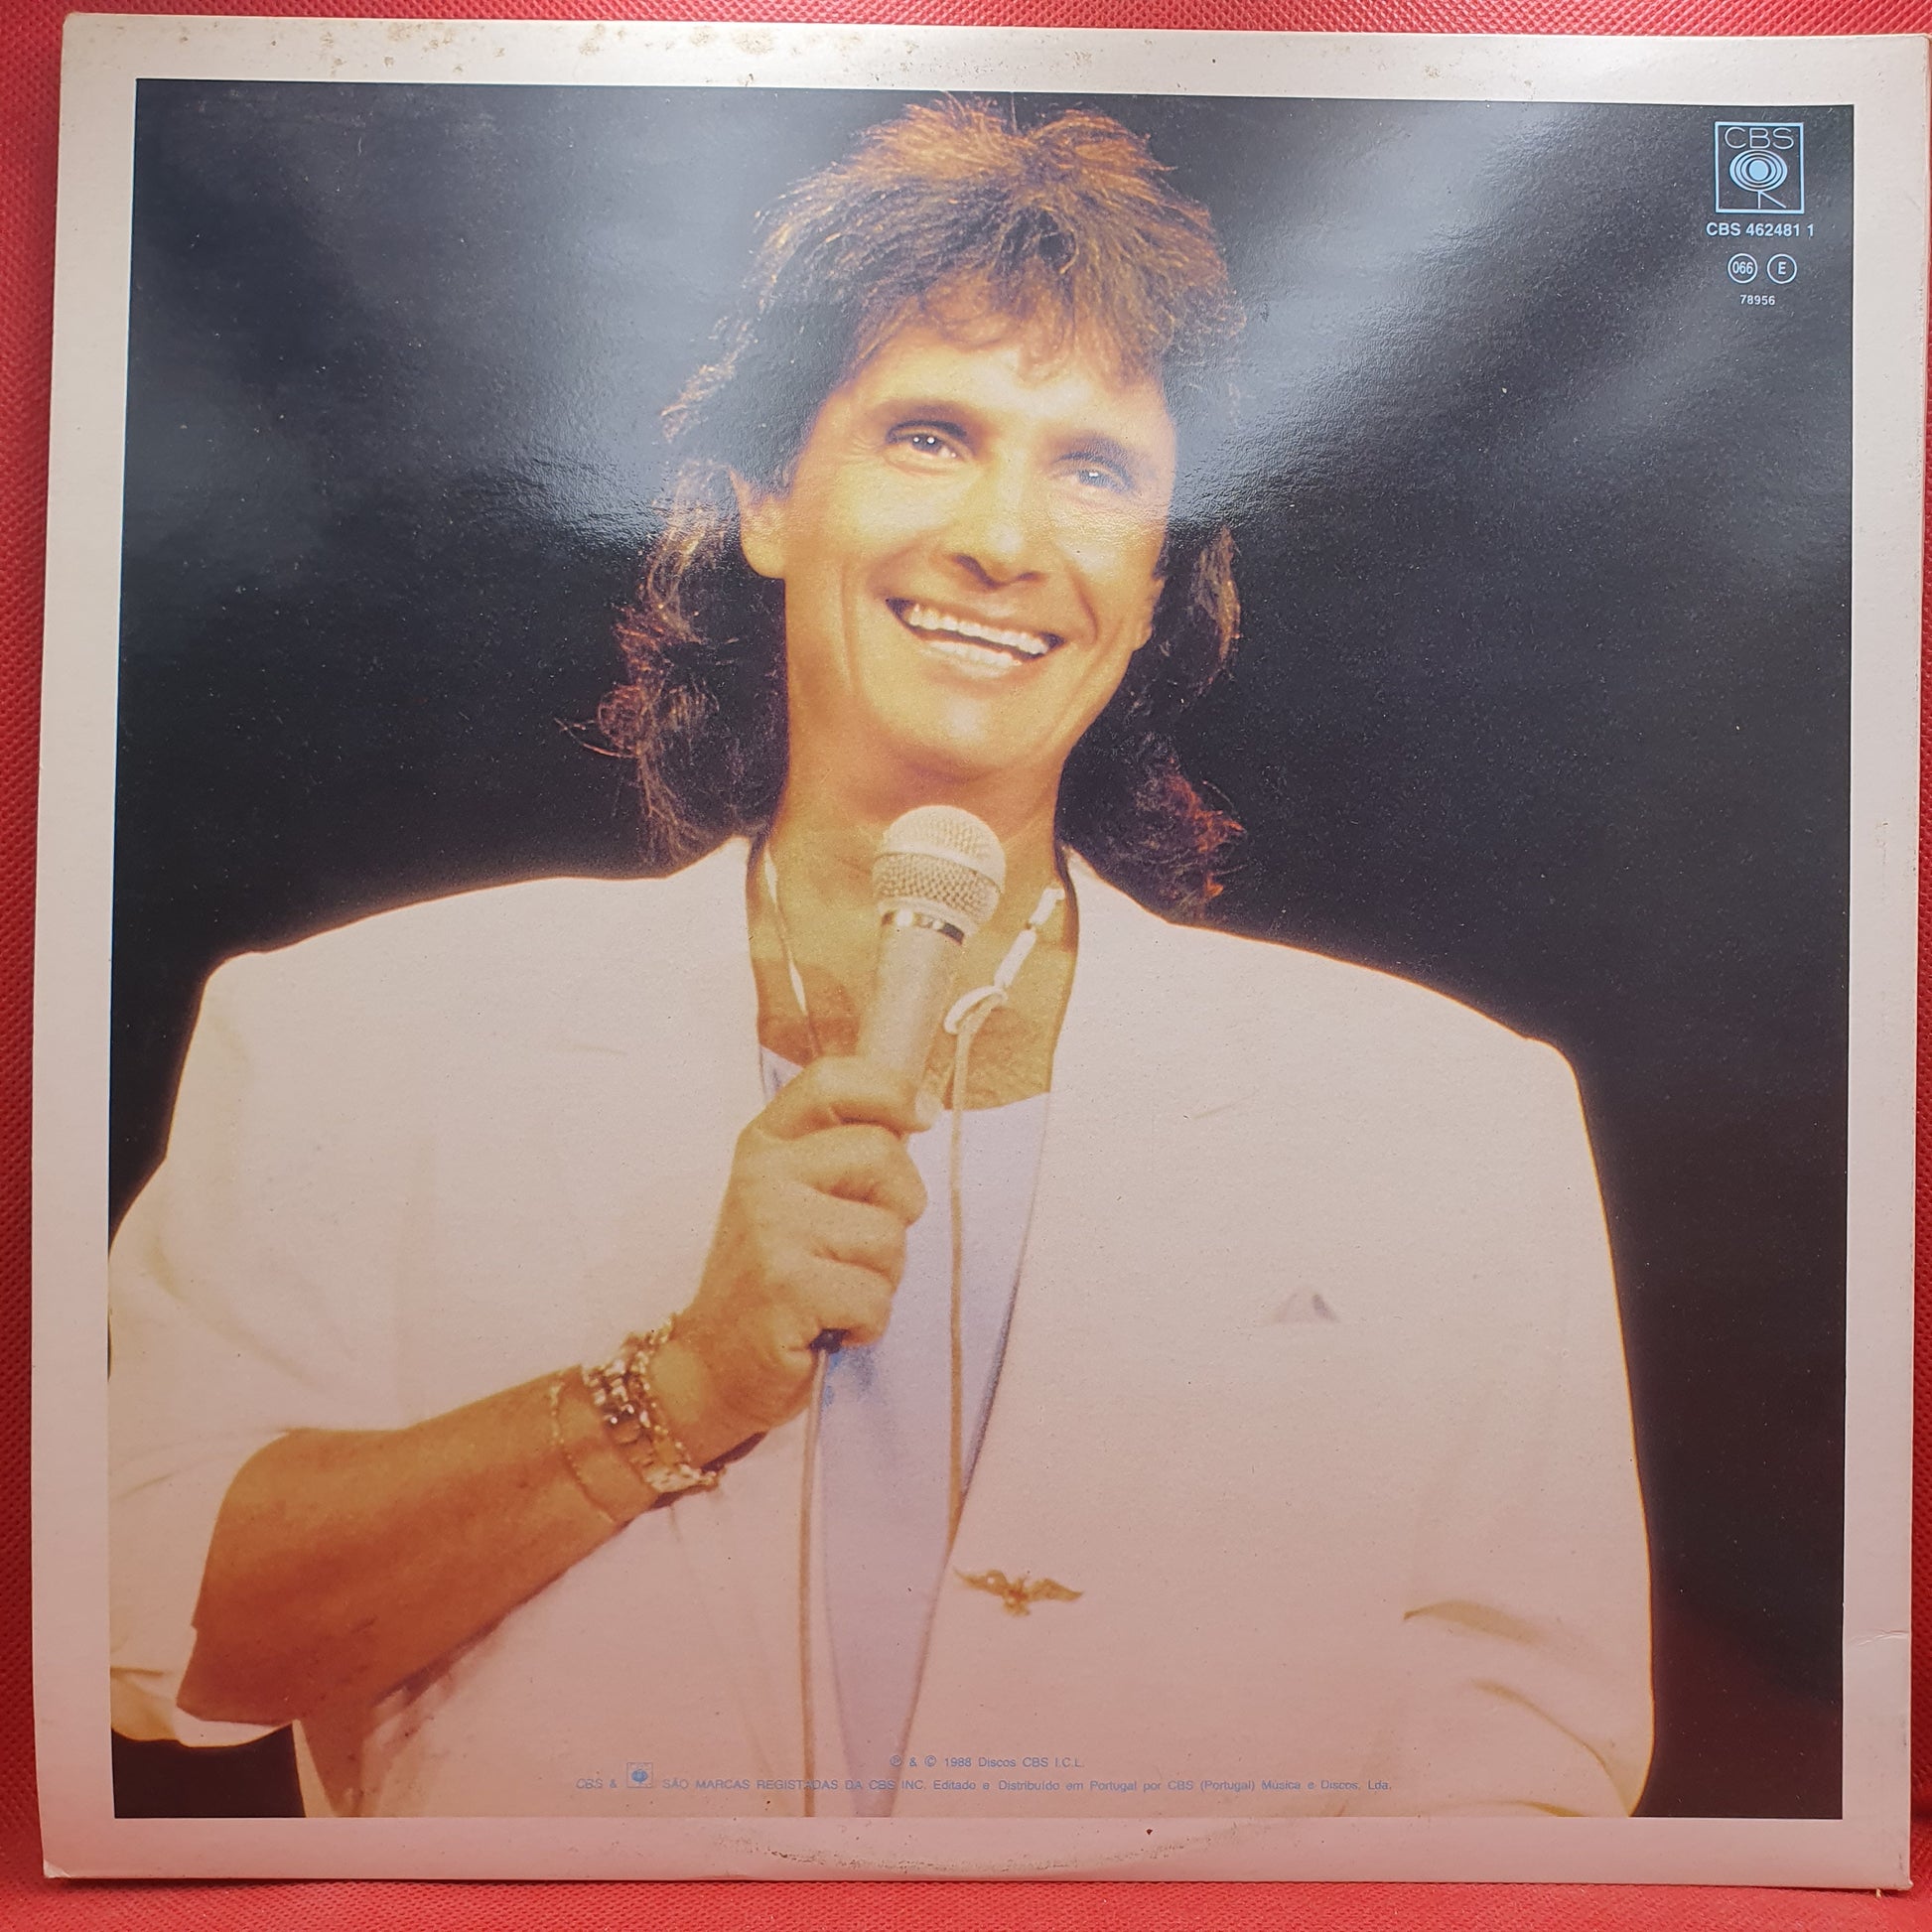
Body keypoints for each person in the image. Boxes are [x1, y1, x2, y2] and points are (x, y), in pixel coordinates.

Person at [109, 99, 1652, 1820]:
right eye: (930, 434)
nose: (1005, 537)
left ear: (1153, 583)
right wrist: (675, 1386)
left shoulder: (1447, 1119)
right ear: (765, 499)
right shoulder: (355, 1037)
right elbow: (153, 1624)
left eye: (1093, 470)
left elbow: (1527, 1757)